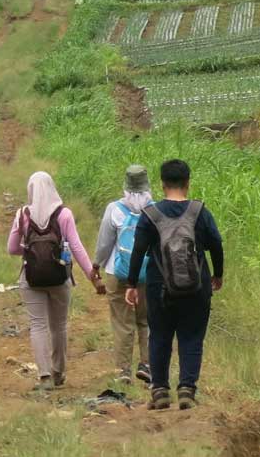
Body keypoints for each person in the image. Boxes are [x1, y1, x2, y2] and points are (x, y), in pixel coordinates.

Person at [126, 159, 225, 411]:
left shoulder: (151, 215)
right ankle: (186, 390)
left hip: (159, 287)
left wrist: (131, 284)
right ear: (187, 183)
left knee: (159, 335)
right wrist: (218, 275)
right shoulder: (200, 211)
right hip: (196, 285)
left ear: (162, 184)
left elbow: (138, 251)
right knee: (192, 336)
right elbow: (216, 244)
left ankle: (159, 391)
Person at [6, 172, 103, 391]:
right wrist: (92, 277)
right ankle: (59, 371)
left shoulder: (23, 214)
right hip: (59, 277)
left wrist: (30, 250)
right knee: (58, 325)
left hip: (31, 279)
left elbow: (11, 248)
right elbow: (76, 247)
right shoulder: (64, 214)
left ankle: (44, 376)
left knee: (37, 325)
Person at [93, 164, 153, 384]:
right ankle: (147, 365)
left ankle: (123, 370)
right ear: (147, 184)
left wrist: (96, 265)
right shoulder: (156, 210)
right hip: (148, 274)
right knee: (146, 321)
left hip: (118, 274)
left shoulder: (114, 209)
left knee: (122, 322)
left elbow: (105, 243)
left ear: (125, 185)